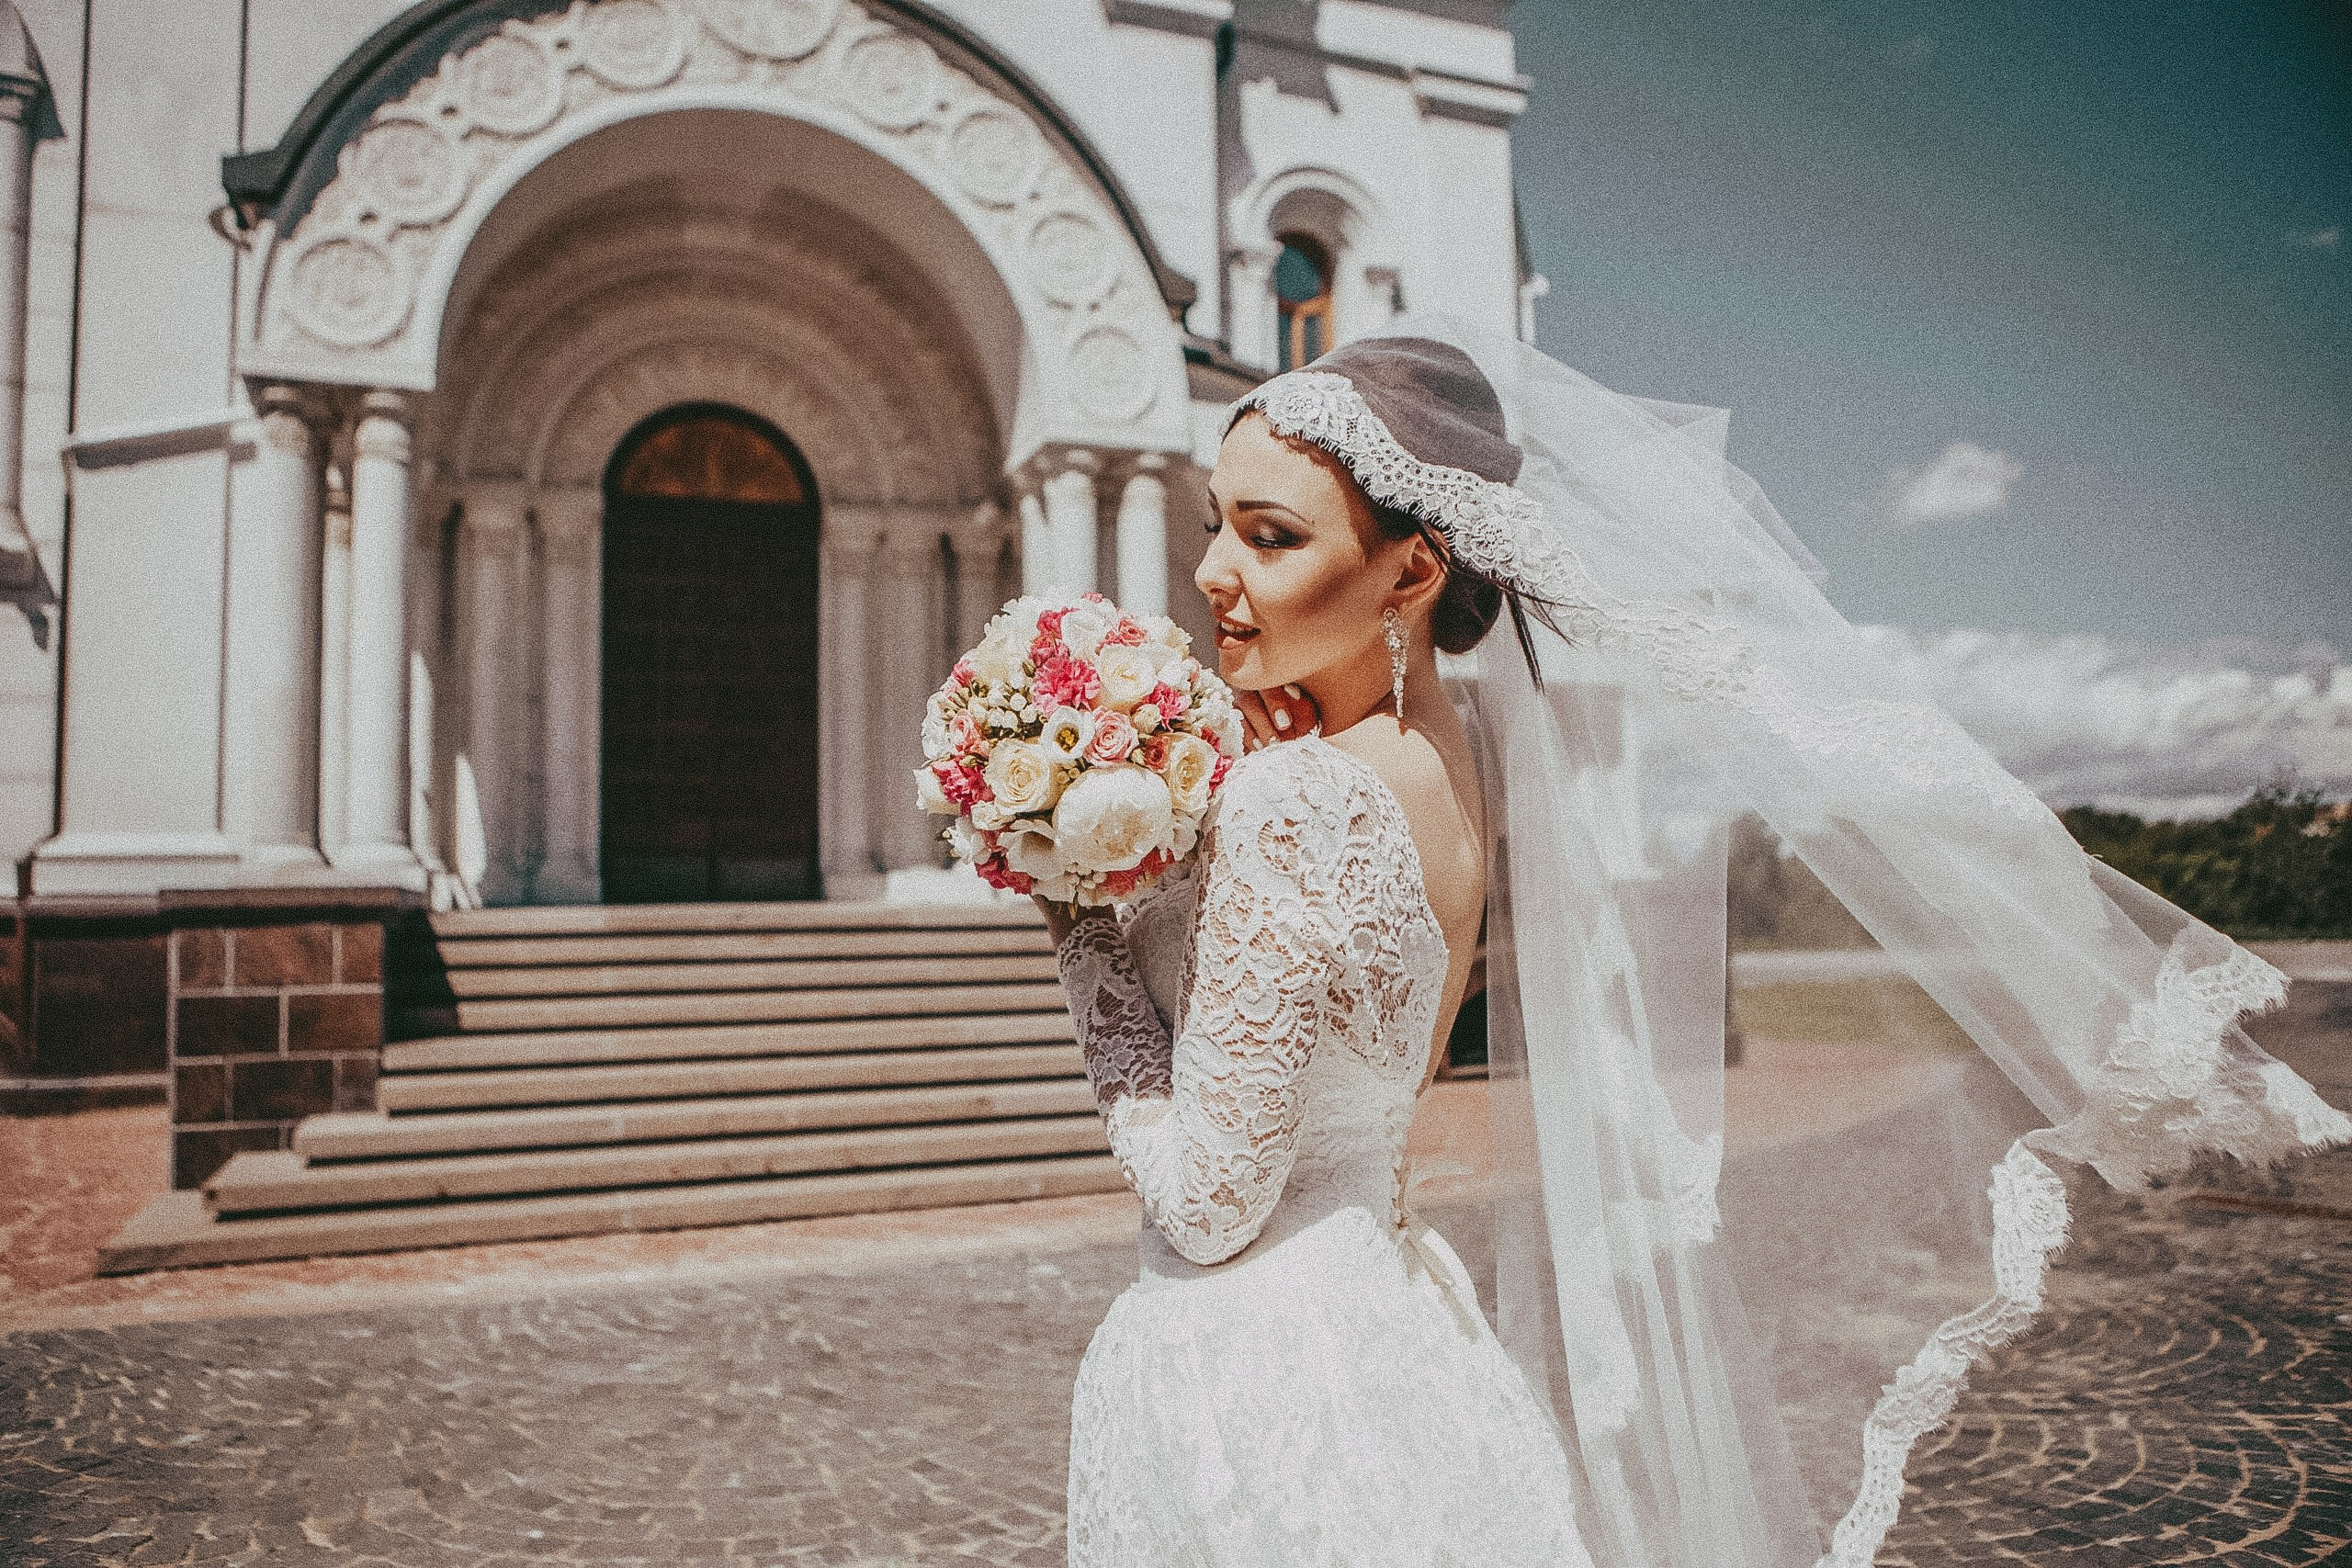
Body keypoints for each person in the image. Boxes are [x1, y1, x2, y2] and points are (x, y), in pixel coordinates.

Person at [1036, 326, 2346, 1568]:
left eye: (1269, 538)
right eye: (1218, 524)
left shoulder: (1293, 798)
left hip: (1251, 1371)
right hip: (1388, 1319)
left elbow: (1208, 1204)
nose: (1213, 571)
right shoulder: (1453, 760)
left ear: (1415, 570)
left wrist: (1087, 939)